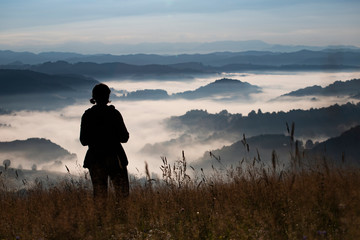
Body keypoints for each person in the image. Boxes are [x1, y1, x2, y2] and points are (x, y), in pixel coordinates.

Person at [80, 83, 129, 203]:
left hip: (95, 159)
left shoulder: (88, 115)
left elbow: (83, 141)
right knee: (122, 195)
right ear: (107, 96)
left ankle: (100, 220)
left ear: (94, 97)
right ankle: (122, 217)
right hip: (116, 158)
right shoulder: (114, 114)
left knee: (100, 196)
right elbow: (124, 138)